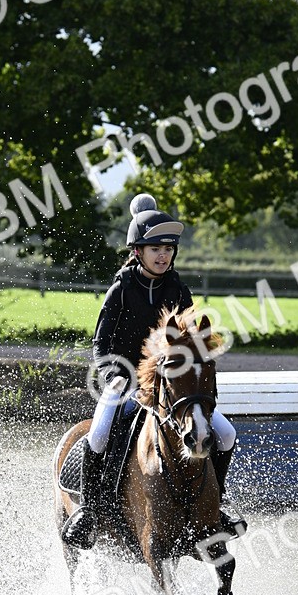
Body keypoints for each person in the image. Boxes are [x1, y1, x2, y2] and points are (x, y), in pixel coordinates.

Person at [61, 193, 245, 549]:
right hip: (125, 380)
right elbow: (101, 344)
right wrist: (113, 374)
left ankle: (214, 510)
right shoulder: (121, 289)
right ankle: (90, 511)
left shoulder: (178, 289)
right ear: (137, 252)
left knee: (225, 434)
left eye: (168, 249)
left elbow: (191, 340)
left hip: (171, 387)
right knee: (99, 434)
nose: (163, 255)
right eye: (155, 249)